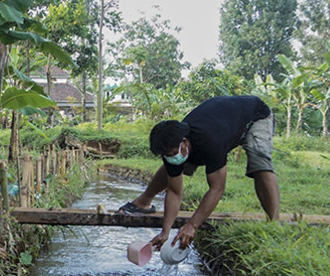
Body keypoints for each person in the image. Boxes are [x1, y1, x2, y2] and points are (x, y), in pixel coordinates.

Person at [119, 95, 280, 251]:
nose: (171, 157)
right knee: (172, 167)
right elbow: (175, 192)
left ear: (184, 142)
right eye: (167, 155)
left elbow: (217, 188)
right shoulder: (173, 145)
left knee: (260, 163)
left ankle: (274, 223)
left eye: (173, 152)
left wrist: (192, 225)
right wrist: (165, 232)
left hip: (254, 116)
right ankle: (144, 202)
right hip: (223, 119)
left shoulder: (211, 141)